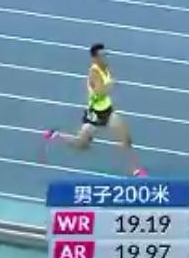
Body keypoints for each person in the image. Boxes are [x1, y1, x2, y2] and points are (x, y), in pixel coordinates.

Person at [43, 43, 147, 176]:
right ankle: (56, 135)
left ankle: (136, 170)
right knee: (82, 144)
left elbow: (107, 85)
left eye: (105, 54)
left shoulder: (106, 68)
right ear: (95, 58)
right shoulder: (94, 73)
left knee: (126, 138)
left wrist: (111, 84)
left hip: (107, 111)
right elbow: (99, 93)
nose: (105, 57)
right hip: (95, 114)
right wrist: (111, 85)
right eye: (102, 55)